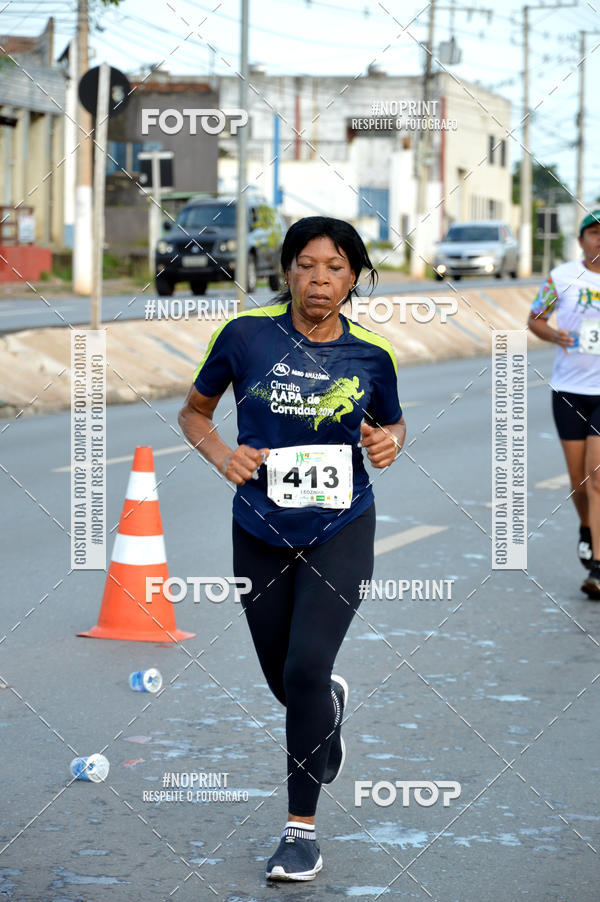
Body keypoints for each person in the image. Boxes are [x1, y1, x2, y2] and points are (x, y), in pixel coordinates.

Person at [178, 215, 405, 881]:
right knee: (286, 680)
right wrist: (223, 454)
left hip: (341, 525)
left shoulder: (370, 358)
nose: (319, 279)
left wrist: (390, 442)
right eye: (307, 264)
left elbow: (388, 423)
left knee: (305, 669)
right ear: (286, 271)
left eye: (335, 267)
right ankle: (324, 710)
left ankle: (299, 832)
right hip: (258, 528)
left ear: (355, 277)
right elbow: (194, 411)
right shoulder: (246, 337)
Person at [528, 209, 600, 597]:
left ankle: (599, 568)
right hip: (569, 391)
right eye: (594, 232)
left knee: (598, 476)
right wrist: (555, 336)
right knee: (579, 482)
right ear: (581, 240)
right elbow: (535, 317)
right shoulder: (561, 277)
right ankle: (587, 529)